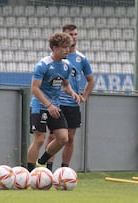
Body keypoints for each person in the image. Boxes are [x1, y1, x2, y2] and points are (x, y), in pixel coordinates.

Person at [26, 32, 81, 172]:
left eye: (68, 47)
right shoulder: (43, 65)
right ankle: (29, 172)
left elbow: (65, 85)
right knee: (39, 139)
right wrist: (48, 105)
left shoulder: (67, 65)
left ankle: (42, 161)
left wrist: (73, 93)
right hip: (40, 106)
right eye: (64, 47)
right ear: (55, 48)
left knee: (64, 138)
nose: (67, 50)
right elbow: (34, 89)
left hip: (55, 107)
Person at [45, 24, 94, 171]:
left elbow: (91, 80)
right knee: (53, 136)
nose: (73, 37)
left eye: (75, 34)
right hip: (57, 102)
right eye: (70, 34)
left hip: (72, 105)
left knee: (70, 138)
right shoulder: (54, 58)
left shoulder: (81, 59)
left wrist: (84, 96)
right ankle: (47, 168)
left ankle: (64, 170)